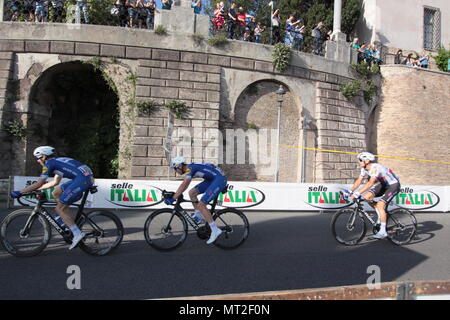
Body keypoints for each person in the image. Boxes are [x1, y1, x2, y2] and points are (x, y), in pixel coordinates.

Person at [10, 146, 95, 250]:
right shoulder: (57, 162)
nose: (37, 161)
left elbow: (39, 182)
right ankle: (65, 220)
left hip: (82, 180)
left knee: (59, 208)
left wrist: (20, 192)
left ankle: (77, 234)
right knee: (56, 193)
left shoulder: (49, 163)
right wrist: (36, 189)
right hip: (84, 178)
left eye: (38, 158)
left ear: (44, 156)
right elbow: (55, 182)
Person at [165, 156, 227, 245]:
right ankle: (199, 215)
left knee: (202, 204)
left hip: (219, 179)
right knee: (192, 193)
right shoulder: (190, 168)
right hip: (212, 179)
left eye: (175, 169)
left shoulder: (190, 169)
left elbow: (184, 184)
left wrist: (174, 198)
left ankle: (215, 230)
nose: (175, 171)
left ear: (179, 166)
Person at [343, 152, 401, 240]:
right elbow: (359, 180)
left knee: (380, 205)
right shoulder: (364, 168)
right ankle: (380, 216)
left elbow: (371, 183)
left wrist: (358, 193)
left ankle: (382, 231)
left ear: (366, 161)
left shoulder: (375, 168)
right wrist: (350, 191)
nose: (359, 162)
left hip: (393, 185)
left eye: (360, 160)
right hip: (384, 184)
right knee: (367, 197)